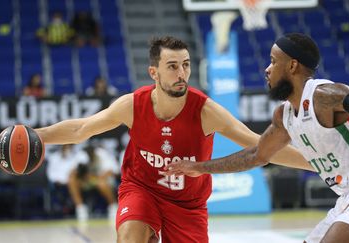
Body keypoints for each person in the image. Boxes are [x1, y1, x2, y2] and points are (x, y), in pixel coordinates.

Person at [34, 36, 311, 243]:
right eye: (172, 66)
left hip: (188, 205)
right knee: (130, 236)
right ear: (153, 72)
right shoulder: (131, 105)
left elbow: (260, 146)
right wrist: (37, 136)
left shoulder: (206, 111)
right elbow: (80, 129)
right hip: (142, 190)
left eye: (186, 65)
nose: (182, 74)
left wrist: (317, 162)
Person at [164, 33, 349, 243]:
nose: (267, 69)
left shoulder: (324, 96)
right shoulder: (284, 116)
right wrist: (199, 168)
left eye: (273, 61)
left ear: (292, 66)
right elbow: (256, 155)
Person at [70, 145, 119, 222]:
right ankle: (80, 208)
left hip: (101, 179)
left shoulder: (102, 154)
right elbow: (73, 172)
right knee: (71, 180)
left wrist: (94, 177)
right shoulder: (81, 156)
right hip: (87, 181)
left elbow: (112, 170)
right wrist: (82, 175)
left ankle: (113, 206)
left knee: (101, 183)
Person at [45, 144, 89, 220]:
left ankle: (80, 207)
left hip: (79, 181)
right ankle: (80, 207)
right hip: (60, 183)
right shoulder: (54, 157)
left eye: (69, 145)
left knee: (72, 179)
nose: (67, 147)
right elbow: (51, 174)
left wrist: (75, 172)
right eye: (65, 145)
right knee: (71, 181)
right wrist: (60, 180)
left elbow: (84, 164)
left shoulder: (79, 154)